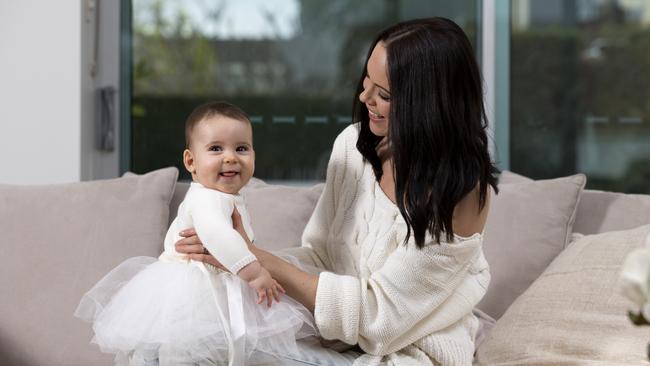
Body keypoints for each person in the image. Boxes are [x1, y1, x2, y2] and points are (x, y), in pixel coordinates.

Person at [177, 17, 499, 366]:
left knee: (204, 350)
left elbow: (381, 321)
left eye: (384, 94)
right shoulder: (353, 146)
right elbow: (320, 257)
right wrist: (233, 262)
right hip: (335, 338)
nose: (364, 97)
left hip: (404, 353)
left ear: (428, 104)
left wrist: (256, 257)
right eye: (366, 82)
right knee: (184, 332)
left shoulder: (460, 194)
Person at [75, 101, 317, 366]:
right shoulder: (207, 199)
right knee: (182, 352)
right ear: (191, 161)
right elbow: (218, 237)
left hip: (214, 287)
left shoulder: (228, 197)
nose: (230, 157)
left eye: (241, 148)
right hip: (192, 291)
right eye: (216, 148)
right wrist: (256, 273)